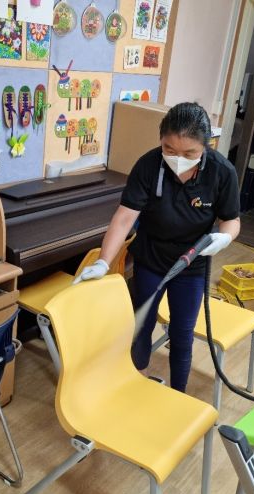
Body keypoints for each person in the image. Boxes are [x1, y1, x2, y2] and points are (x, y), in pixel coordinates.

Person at [74, 102, 240, 392]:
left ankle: (177, 394)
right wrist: (103, 261)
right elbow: (124, 218)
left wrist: (224, 238)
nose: (178, 159)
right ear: (161, 140)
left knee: (182, 332)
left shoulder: (222, 172)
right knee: (141, 325)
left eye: (189, 153)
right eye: (169, 149)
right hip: (151, 258)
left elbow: (231, 220)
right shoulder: (148, 166)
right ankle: (137, 385)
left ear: (206, 145)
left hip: (192, 264)